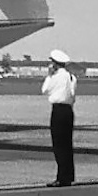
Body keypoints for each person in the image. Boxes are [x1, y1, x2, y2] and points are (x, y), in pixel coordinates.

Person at [41, 48, 77, 187]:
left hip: (58, 110)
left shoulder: (56, 77)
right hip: (68, 110)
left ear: (55, 63)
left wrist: (49, 75)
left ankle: (61, 177)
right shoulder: (71, 77)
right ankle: (68, 175)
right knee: (67, 144)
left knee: (59, 145)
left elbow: (45, 90)